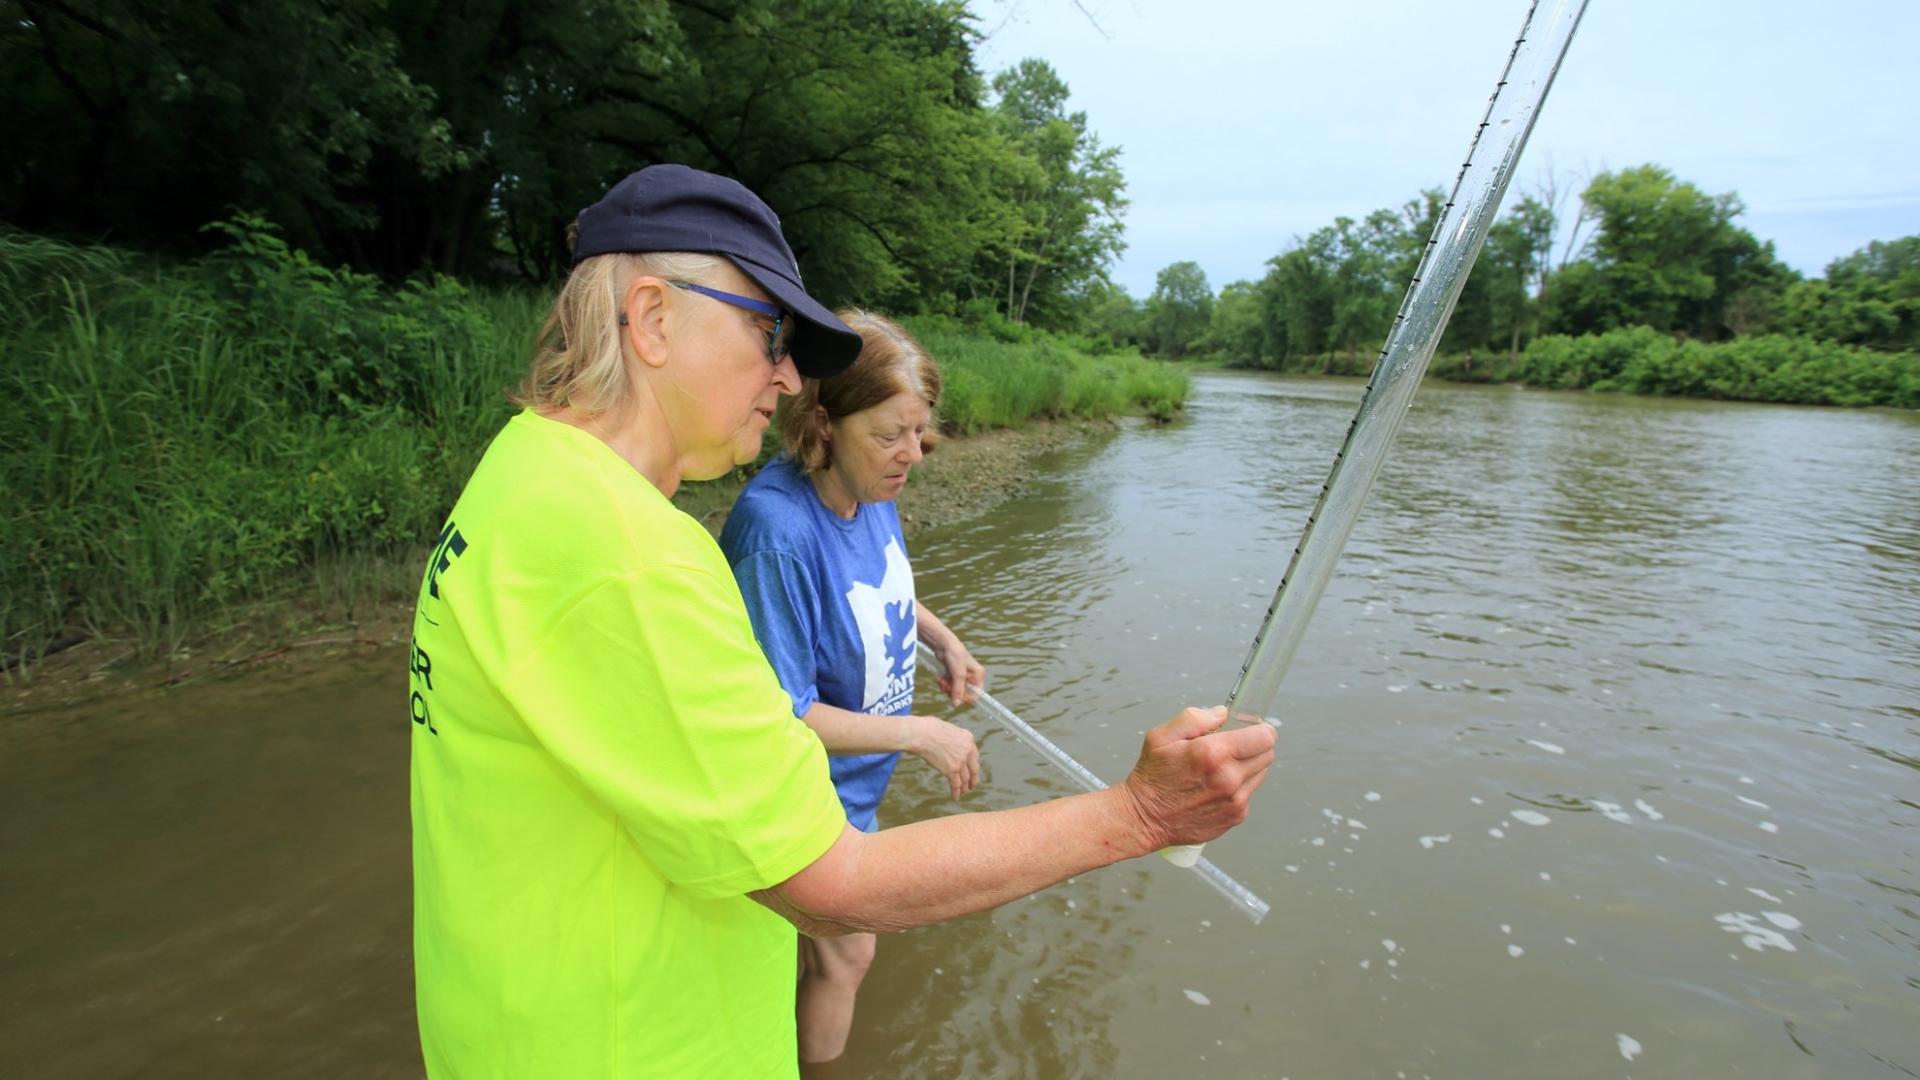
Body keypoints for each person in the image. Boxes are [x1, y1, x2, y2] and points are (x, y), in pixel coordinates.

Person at [407, 163, 1276, 1079]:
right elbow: (833, 887)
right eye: (767, 331)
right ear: (655, 318)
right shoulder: (630, 556)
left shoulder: (526, 470)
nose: (787, 377)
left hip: (513, 1027)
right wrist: (1138, 812)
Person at [718, 311, 984, 1064]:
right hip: (801, 794)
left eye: (921, 433)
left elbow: (876, 580)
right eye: (891, 433)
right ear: (823, 423)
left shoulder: (870, 489)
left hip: (856, 790)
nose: (913, 456)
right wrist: (919, 732)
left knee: (809, 952)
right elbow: (781, 713)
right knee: (847, 954)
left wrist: (941, 638)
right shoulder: (777, 533)